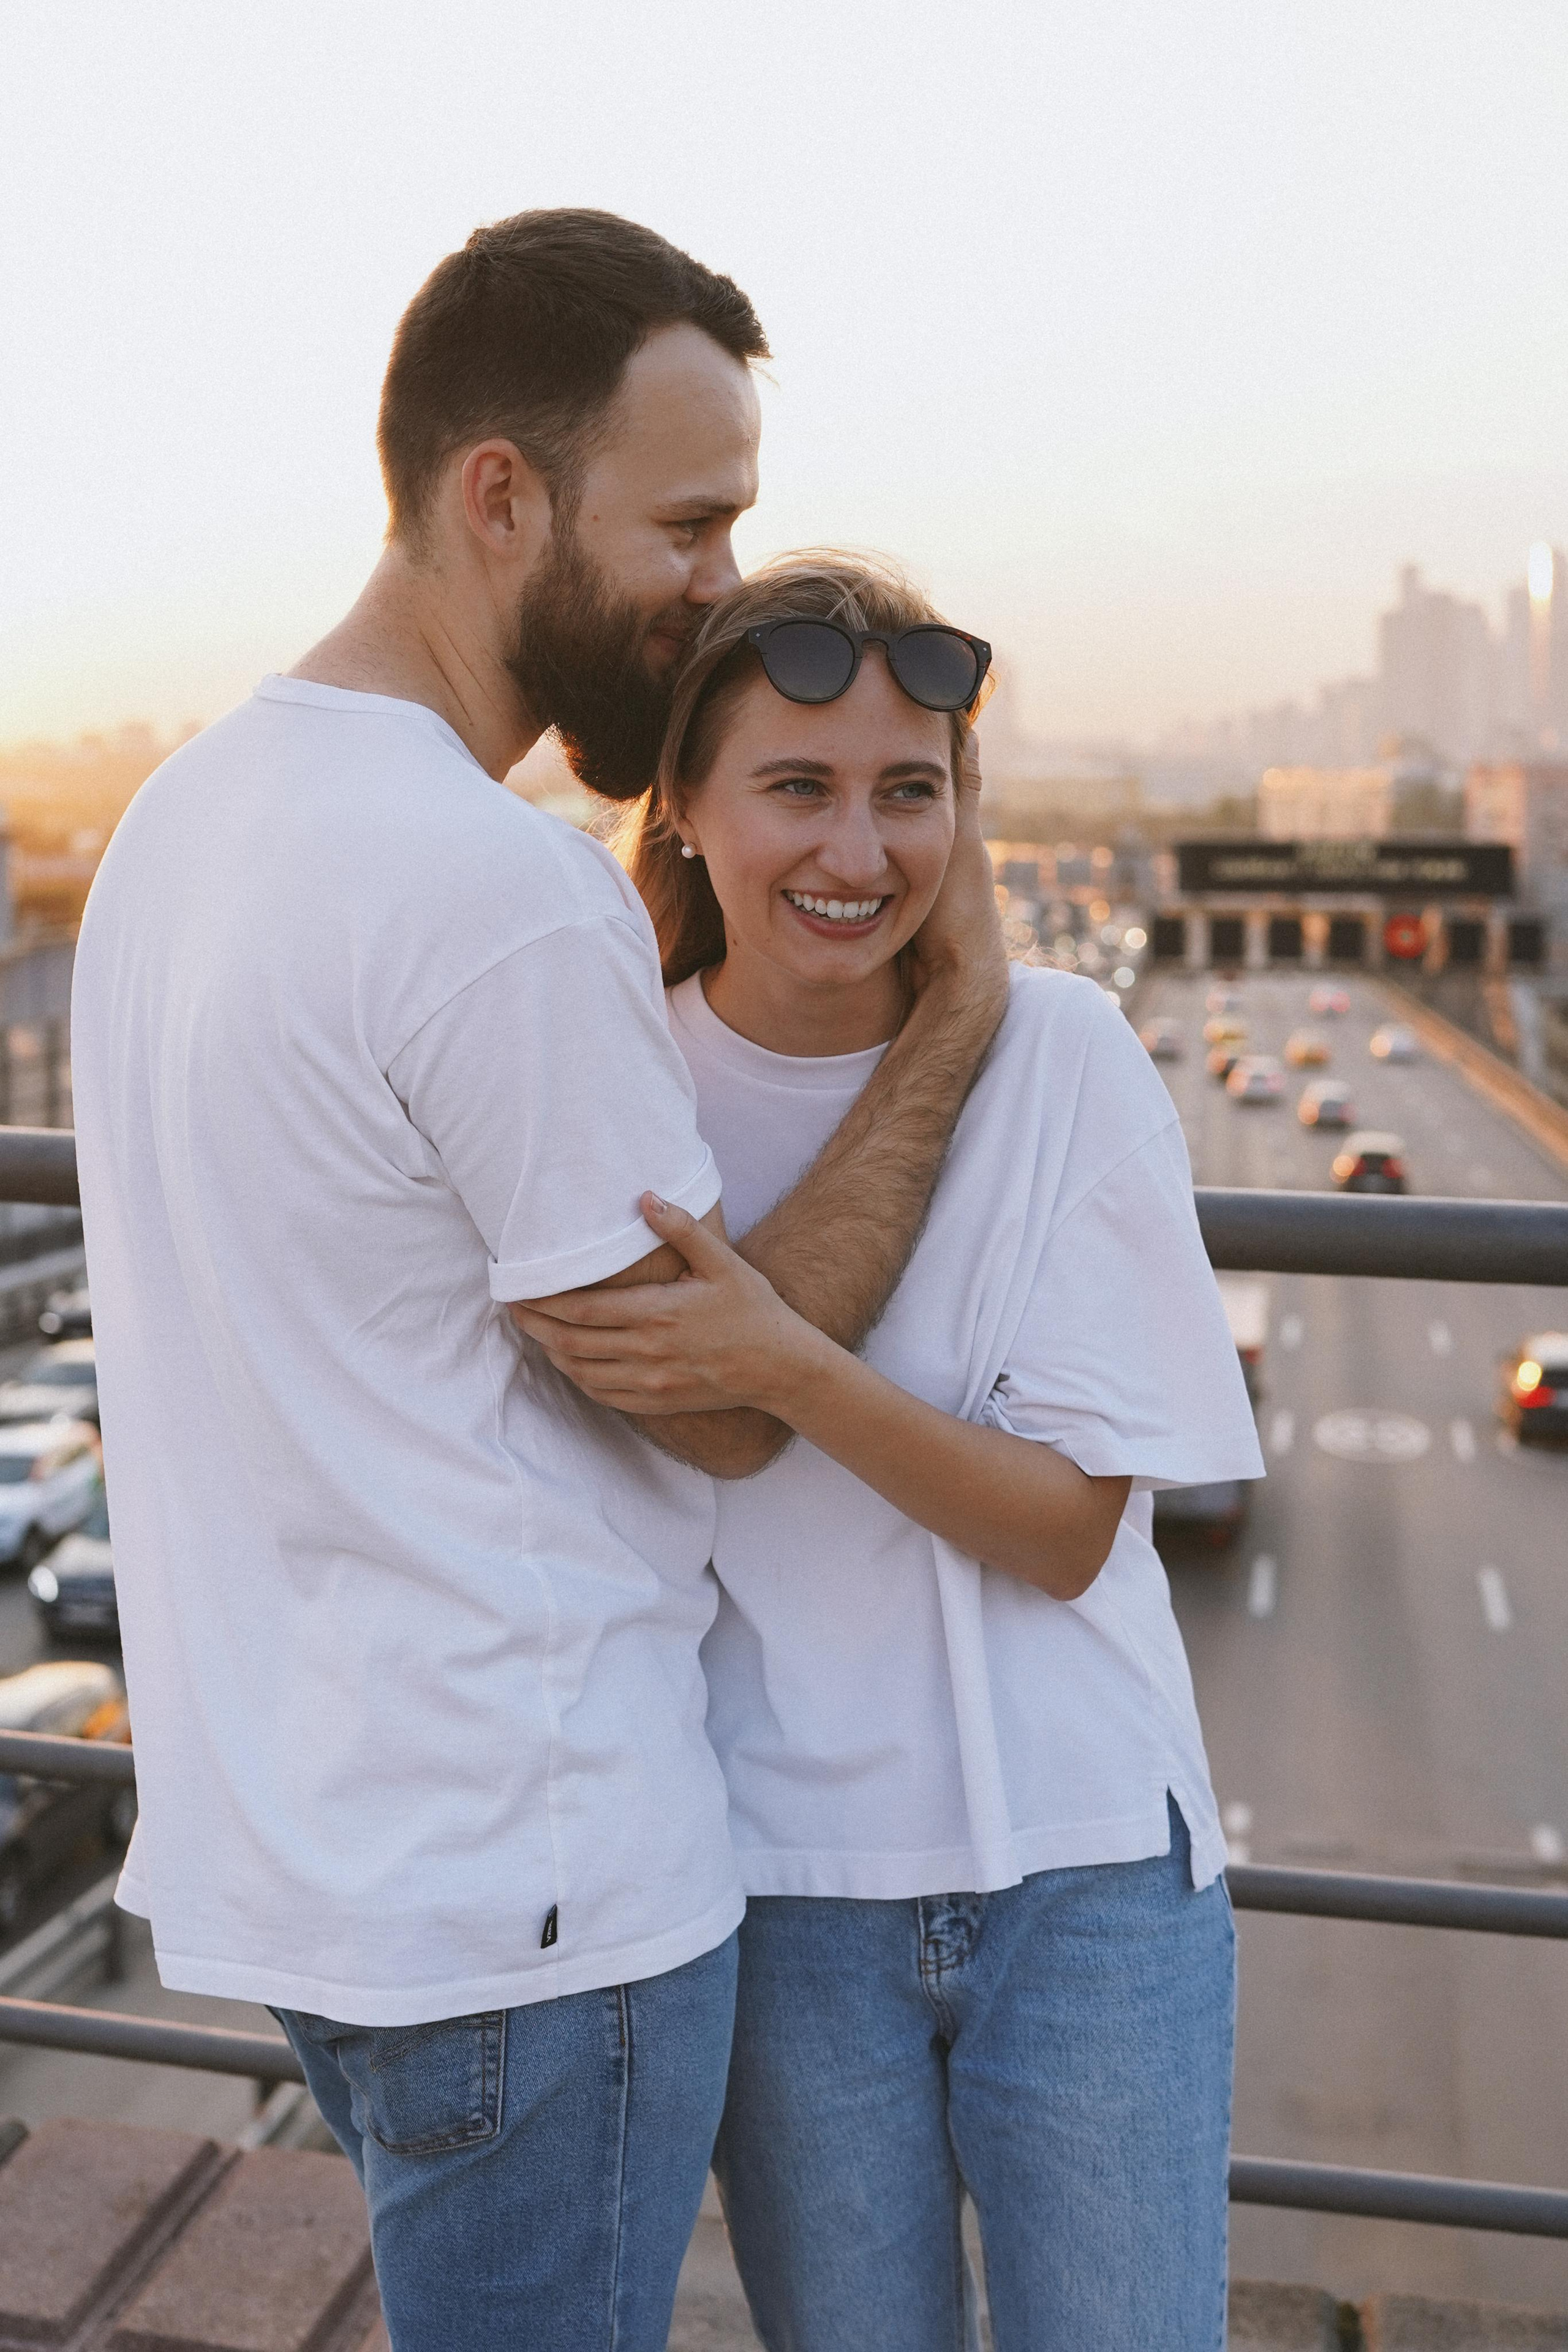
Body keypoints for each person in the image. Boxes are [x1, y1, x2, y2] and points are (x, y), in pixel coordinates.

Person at [70, 224, 1008, 2351]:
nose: (719, 586)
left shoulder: (181, 823)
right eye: (688, 524)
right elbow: (723, 1396)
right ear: (499, 495)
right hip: (531, 1896)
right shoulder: (493, 898)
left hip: (321, 1864)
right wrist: (952, 1024)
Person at [516, 554, 1265, 2352]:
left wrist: (784, 1362)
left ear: (968, 817)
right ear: (684, 808)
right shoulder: (609, 1095)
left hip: (1087, 1882)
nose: (857, 849)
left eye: (907, 791)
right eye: (798, 786)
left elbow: (1074, 1532)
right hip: (780, 1907)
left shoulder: (1066, 1059)